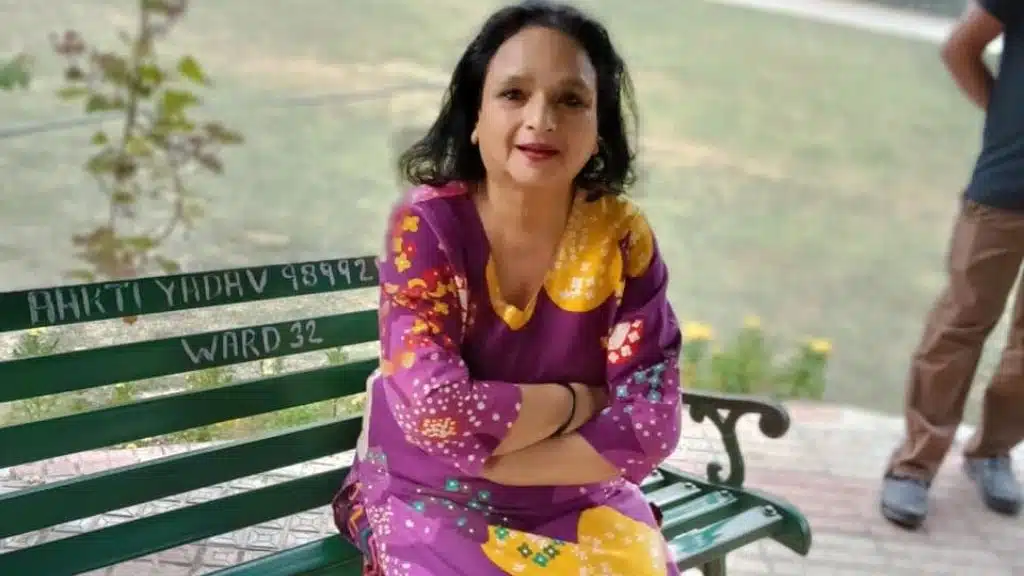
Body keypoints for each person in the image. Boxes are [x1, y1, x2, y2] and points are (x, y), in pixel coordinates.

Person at [330, 2, 684, 574]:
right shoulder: (427, 229)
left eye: (571, 100)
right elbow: (435, 414)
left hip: (575, 497)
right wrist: (581, 400)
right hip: (428, 494)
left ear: (599, 130)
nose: (541, 118)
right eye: (514, 94)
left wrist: (500, 465)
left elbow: (650, 426)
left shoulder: (620, 238)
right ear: (474, 116)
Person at [881, 0, 1024, 529]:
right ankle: (914, 465)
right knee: (960, 326)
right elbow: (960, 47)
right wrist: (1004, 121)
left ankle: (993, 451)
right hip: (1005, 190)